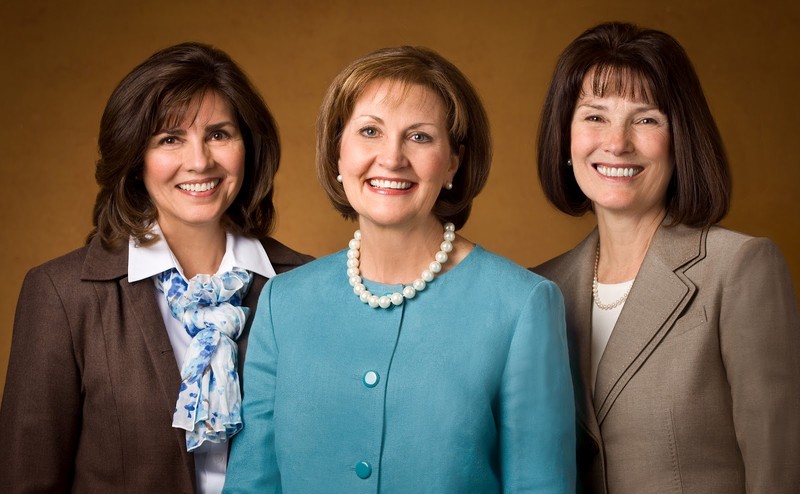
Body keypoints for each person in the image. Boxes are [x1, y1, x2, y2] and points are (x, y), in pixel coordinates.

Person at [223, 45, 575, 492]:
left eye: (420, 136)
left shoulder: (522, 304)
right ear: (338, 153)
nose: (391, 158)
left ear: (454, 161)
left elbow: (540, 486)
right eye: (369, 131)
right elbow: (251, 485)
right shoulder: (283, 302)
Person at [0, 42, 312, 493]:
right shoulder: (62, 295)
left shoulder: (305, 286)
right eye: (170, 139)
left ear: (249, 146)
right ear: (135, 158)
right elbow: (24, 480)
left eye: (219, 134)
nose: (200, 161)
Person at [532, 21, 800, 493]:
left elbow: (778, 470)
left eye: (647, 119)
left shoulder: (737, 268)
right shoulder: (539, 290)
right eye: (594, 116)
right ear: (564, 139)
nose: (617, 142)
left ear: (681, 141)